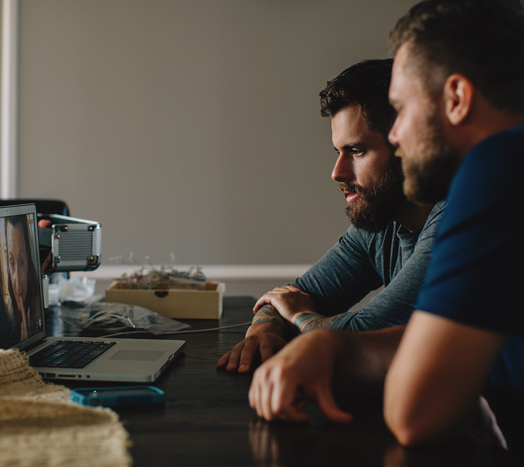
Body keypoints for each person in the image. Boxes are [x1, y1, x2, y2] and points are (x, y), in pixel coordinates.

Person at [248, 0, 524, 451]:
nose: (396, 136)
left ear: (456, 99)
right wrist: (328, 342)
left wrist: (320, 334)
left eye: (402, 108)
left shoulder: (498, 166)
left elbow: (415, 413)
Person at [219, 59, 445, 373]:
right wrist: (264, 331)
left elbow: (362, 336)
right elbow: (285, 297)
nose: (337, 172)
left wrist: (299, 317)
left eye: (357, 151)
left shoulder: (454, 221)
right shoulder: (379, 224)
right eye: (338, 152)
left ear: (409, 146)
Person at [5, 215, 42, 341]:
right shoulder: (7, 311)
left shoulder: (37, 301)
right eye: (11, 262)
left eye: (21, 262)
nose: (18, 286)